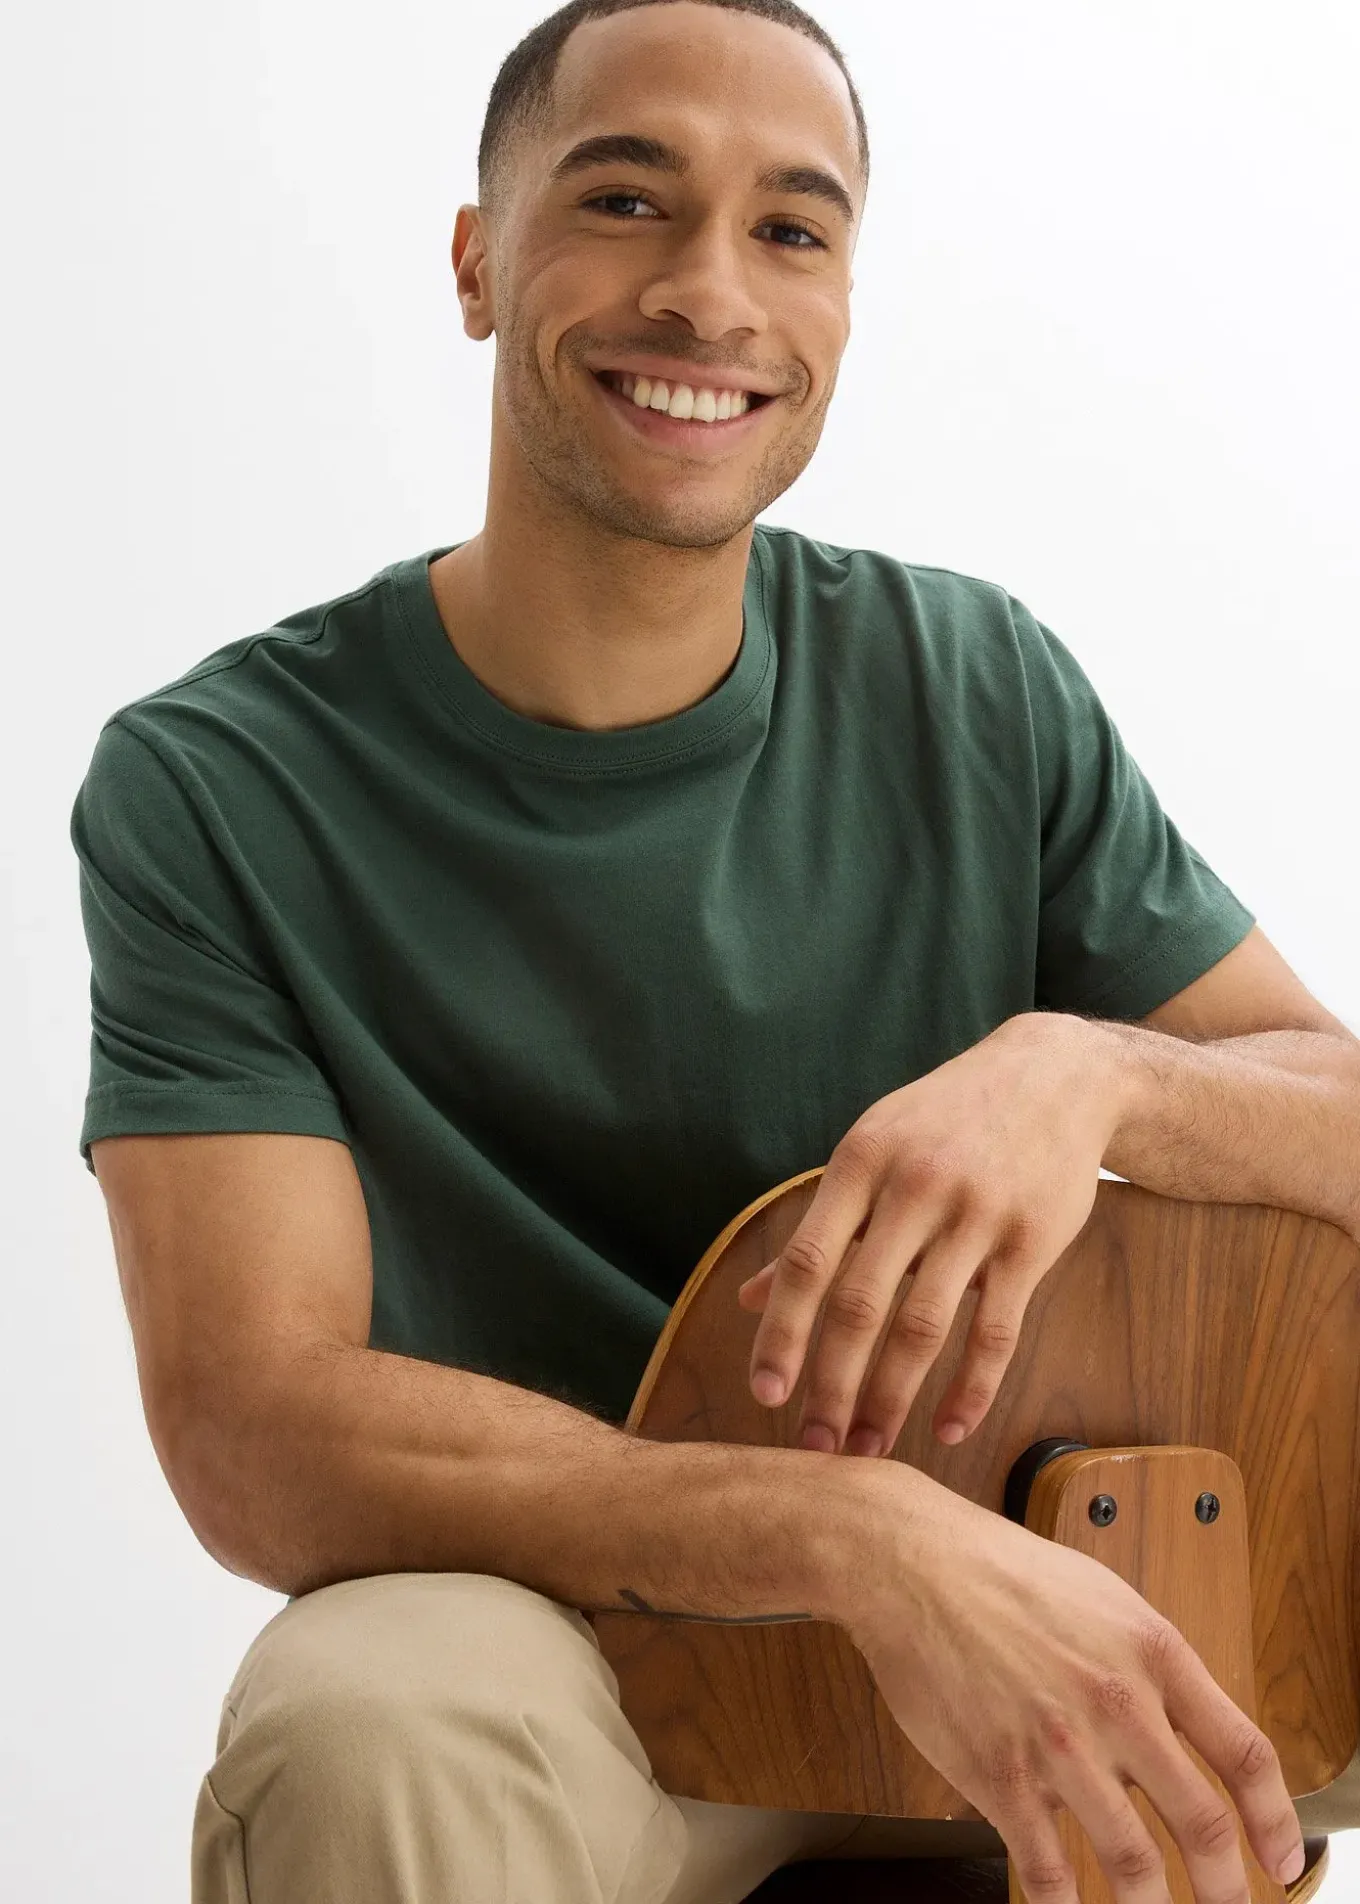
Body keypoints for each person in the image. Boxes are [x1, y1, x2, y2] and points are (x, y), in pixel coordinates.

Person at [70, 3, 1360, 1901]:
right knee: (359, 1718)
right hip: (570, 1654)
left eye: (791, 229)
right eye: (625, 200)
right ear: (476, 264)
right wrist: (853, 1538)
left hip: (1014, 1649)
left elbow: (1333, 1113)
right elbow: (254, 1424)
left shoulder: (974, 687)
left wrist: (1090, 1073)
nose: (710, 295)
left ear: (843, 303)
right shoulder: (217, 784)